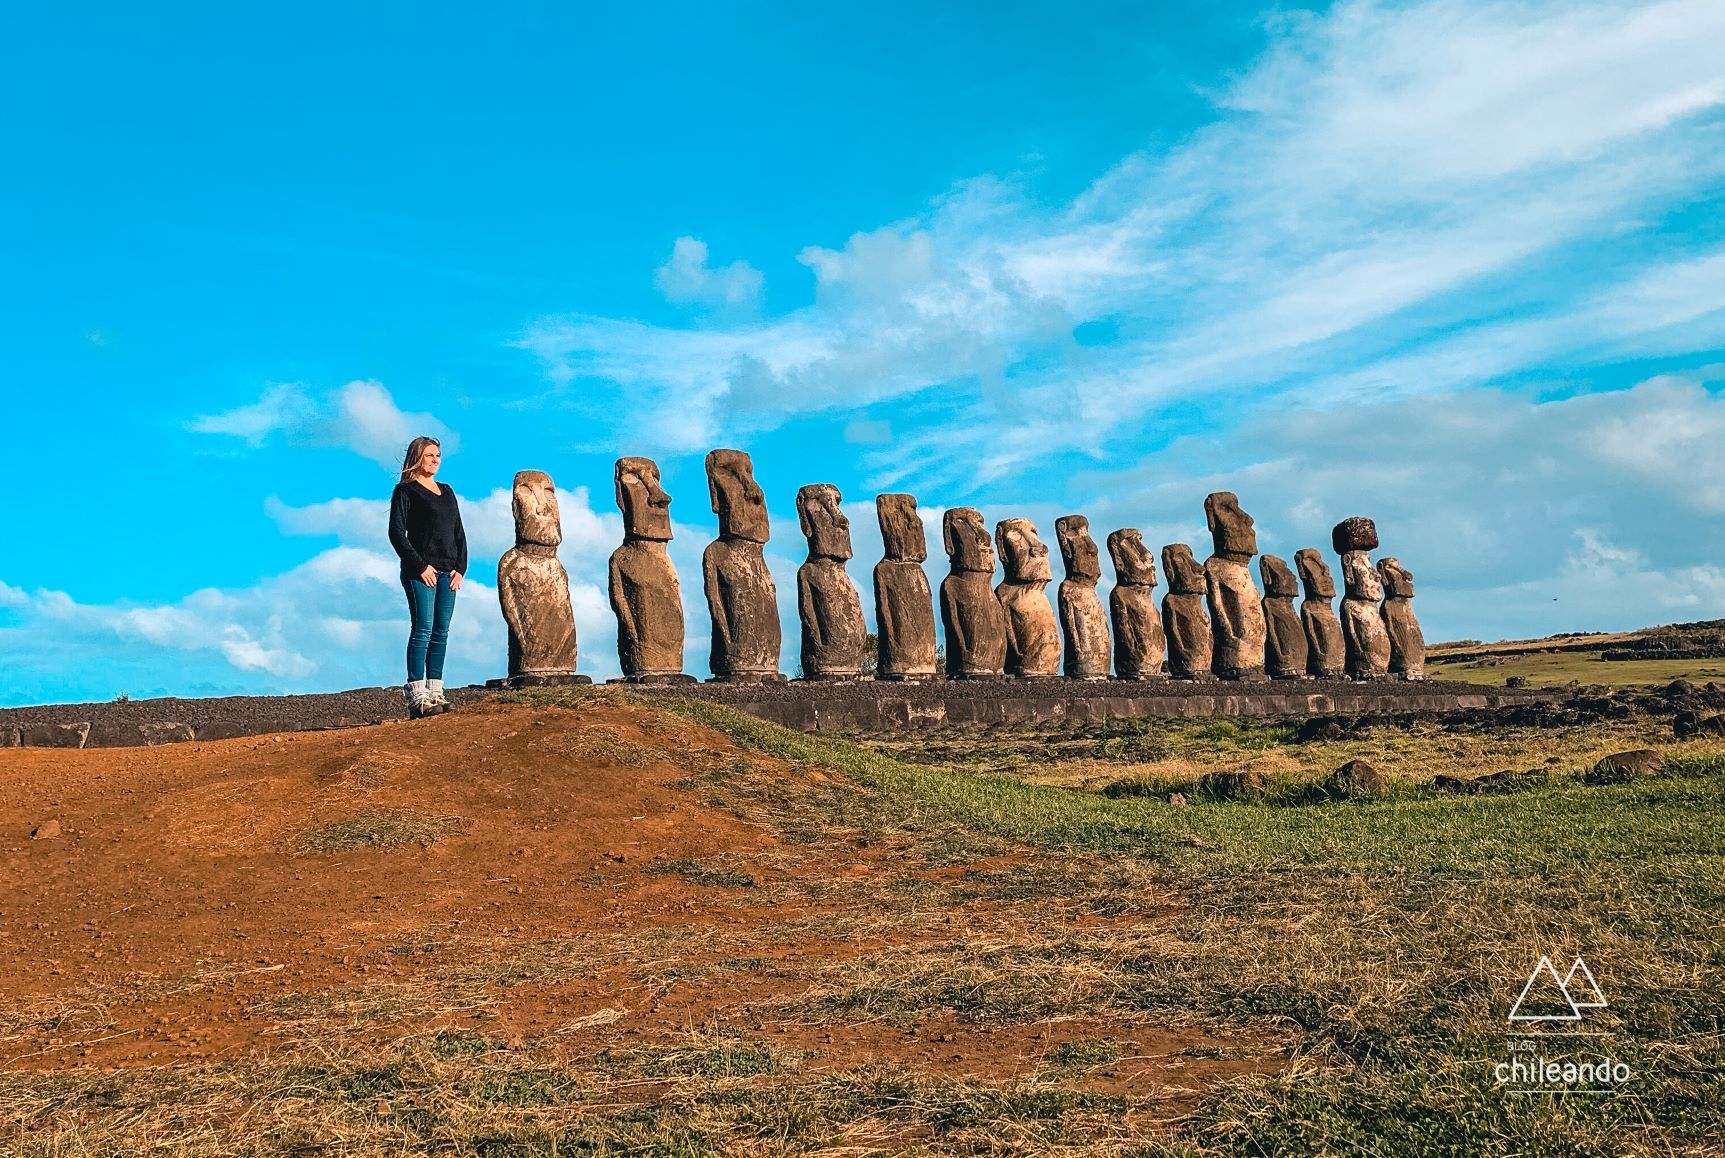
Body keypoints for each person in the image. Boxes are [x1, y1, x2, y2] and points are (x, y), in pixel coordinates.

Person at [388, 436, 467, 718]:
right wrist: (420, 566)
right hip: (421, 572)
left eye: (438, 455)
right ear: (417, 457)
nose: (434, 460)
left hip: (449, 573)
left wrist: (461, 567)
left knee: (441, 632)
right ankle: (417, 696)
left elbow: (458, 531)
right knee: (423, 629)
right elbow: (396, 534)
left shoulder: (447, 491)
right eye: (429, 455)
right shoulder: (405, 491)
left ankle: (436, 691)